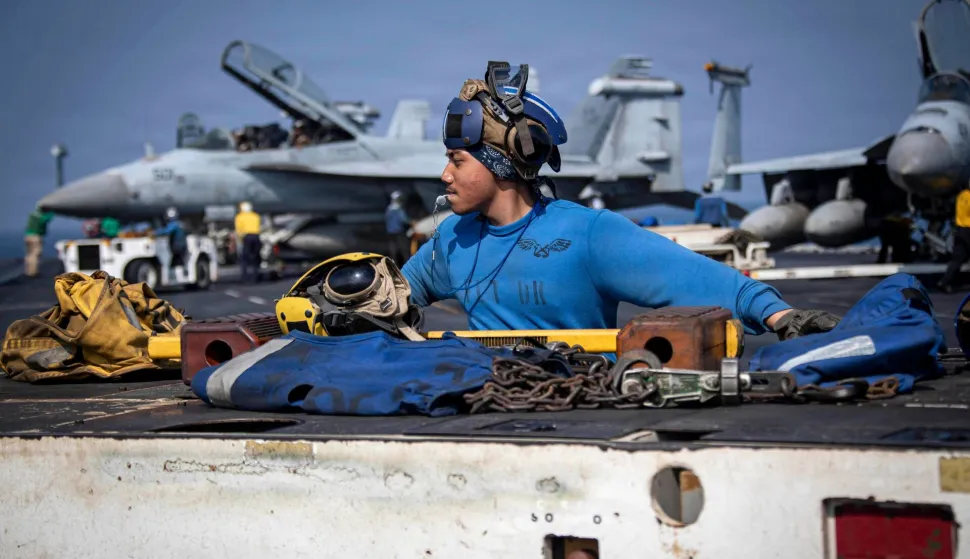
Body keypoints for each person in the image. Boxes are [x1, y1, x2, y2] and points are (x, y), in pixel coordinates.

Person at [401, 61, 839, 342]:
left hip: (583, 413)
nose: (445, 175)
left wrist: (781, 315)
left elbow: (705, 280)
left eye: (457, 160)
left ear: (500, 163)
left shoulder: (587, 235)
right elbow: (391, 296)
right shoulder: (450, 242)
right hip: (485, 417)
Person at [938, 185, 970, 293]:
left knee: (958, 258)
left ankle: (945, 281)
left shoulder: (961, 195)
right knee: (958, 258)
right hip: (968, 229)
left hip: (959, 230)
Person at [154, 207, 187, 283]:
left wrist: (155, 232)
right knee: (179, 261)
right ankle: (180, 277)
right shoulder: (180, 224)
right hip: (182, 246)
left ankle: (176, 278)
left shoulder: (174, 224)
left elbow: (166, 231)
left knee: (175, 262)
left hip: (177, 247)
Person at [235, 201, 262, 284]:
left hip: (246, 237)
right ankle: (255, 277)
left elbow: (239, 230)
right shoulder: (256, 216)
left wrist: (239, 241)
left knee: (244, 258)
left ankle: (245, 277)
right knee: (256, 258)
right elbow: (258, 226)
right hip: (256, 237)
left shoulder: (239, 217)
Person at [23, 206, 53, 278]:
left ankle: (28, 271)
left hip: (28, 236)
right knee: (35, 254)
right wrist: (52, 210)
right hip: (35, 237)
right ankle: (33, 273)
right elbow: (48, 218)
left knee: (29, 254)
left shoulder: (32, 215)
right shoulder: (41, 217)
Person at [384, 191, 411, 268]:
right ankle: (407, 266)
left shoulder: (388, 209)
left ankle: (393, 267)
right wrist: (412, 222)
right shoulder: (398, 209)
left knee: (393, 250)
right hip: (398, 232)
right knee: (404, 249)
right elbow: (404, 219)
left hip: (390, 232)